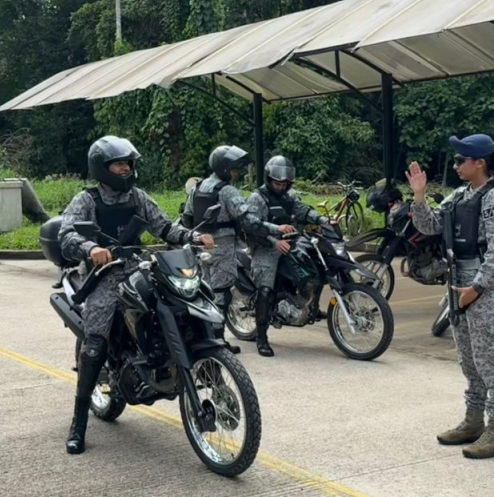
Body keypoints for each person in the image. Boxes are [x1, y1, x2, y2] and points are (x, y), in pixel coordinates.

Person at [57, 136, 214, 455]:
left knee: (178, 302)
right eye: (119, 164)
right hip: (103, 275)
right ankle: (78, 424)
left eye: (129, 163)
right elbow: (67, 234)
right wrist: (92, 249)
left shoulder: (137, 196)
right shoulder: (86, 200)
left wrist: (193, 236)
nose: (125, 169)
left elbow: (165, 228)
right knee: (95, 343)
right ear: (102, 168)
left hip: (136, 266)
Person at [406, 134, 494, 459]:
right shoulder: (459, 195)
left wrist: (477, 289)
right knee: (470, 362)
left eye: (460, 160)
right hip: (459, 287)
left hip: (485, 291)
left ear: (479, 163)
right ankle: (473, 421)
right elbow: (430, 226)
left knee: (492, 363)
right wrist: (419, 196)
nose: (455, 165)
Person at [178, 145, 279, 317]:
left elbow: (186, 217)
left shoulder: (197, 187)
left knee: (205, 292)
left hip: (201, 248)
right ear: (223, 168)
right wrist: (275, 228)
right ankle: (219, 338)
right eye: (233, 170)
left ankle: (208, 336)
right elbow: (247, 218)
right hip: (223, 249)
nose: (236, 174)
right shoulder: (227, 190)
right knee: (222, 294)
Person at [244, 155, 324, 357]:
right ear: (269, 180)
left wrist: (321, 219)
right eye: (277, 183)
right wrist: (274, 242)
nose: (280, 186)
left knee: (317, 266)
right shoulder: (257, 198)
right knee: (265, 289)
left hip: (290, 242)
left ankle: (310, 306)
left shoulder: (290, 197)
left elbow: (302, 210)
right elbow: (251, 226)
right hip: (265, 247)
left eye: (284, 183)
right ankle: (261, 337)